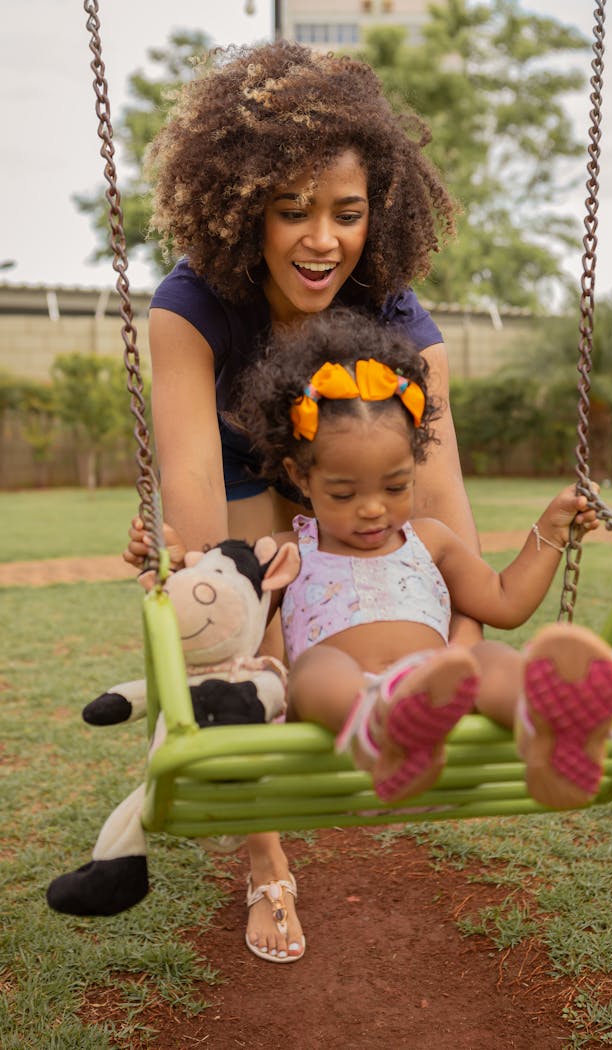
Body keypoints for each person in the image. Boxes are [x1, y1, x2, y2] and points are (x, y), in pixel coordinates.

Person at [124, 38, 483, 964]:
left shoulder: (397, 317)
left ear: (378, 213)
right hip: (247, 479)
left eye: (347, 213)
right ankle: (266, 855)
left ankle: (371, 695)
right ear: (248, 213)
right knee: (238, 606)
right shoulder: (194, 304)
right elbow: (197, 491)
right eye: (292, 212)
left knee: (410, 584)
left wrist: (462, 644)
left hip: (357, 483)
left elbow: (438, 502)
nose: (322, 240)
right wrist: (202, 576)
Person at [146, 311, 612, 961]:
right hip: (339, 697)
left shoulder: (431, 542)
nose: (373, 508)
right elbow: (211, 598)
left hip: (438, 691)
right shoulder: (287, 551)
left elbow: (506, 601)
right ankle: (381, 723)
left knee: (488, 653)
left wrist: (550, 531)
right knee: (318, 673)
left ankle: (549, 728)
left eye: (395, 486)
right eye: (345, 492)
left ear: (412, 467)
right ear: (301, 477)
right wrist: (164, 552)